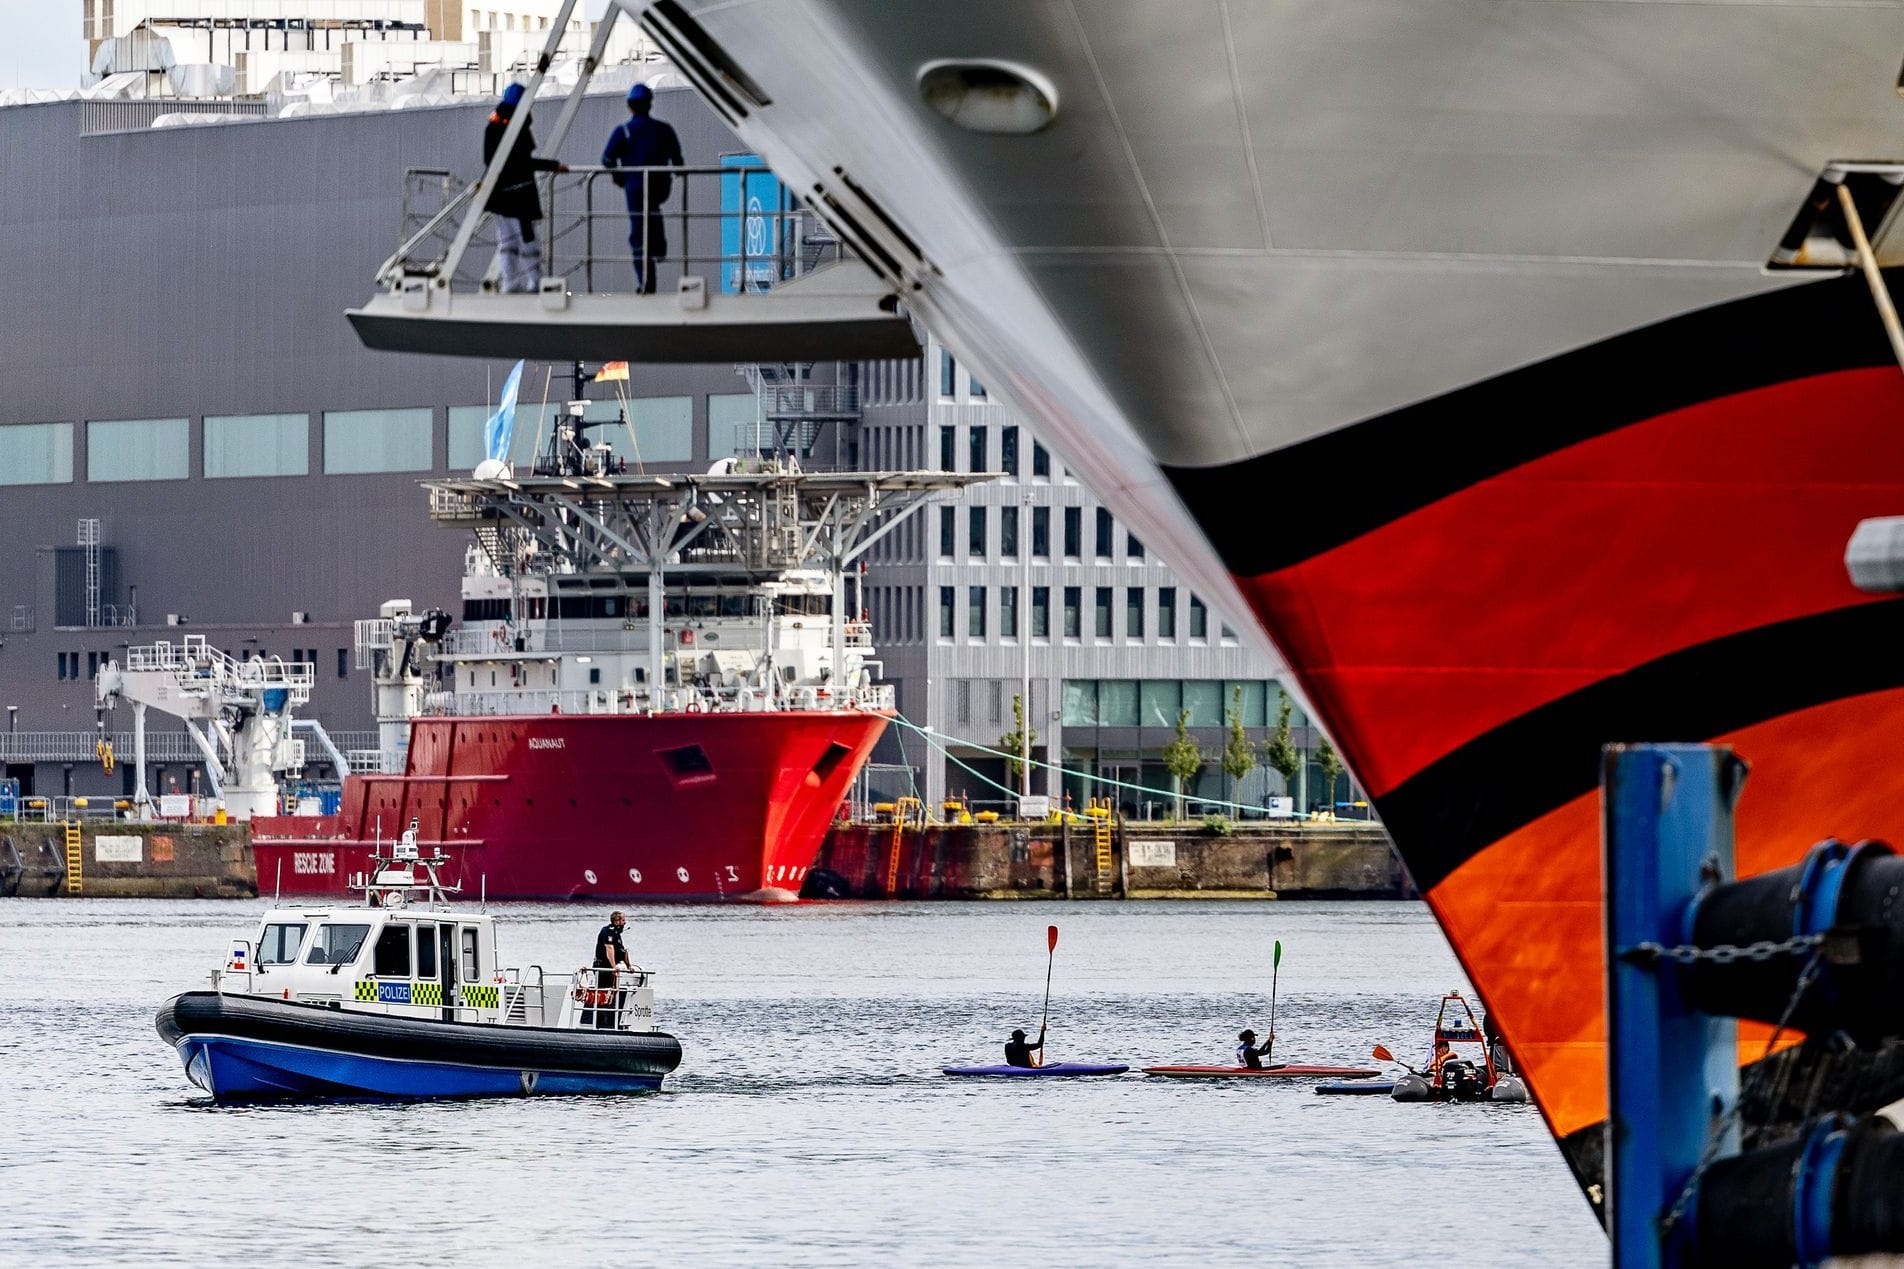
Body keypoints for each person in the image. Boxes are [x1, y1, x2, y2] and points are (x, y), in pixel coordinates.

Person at [483, 83, 567, 293]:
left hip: (500, 195)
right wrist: (553, 165)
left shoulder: (493, 126)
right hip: (521, 194)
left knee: (506, 240)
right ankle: (535, 281)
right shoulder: (518, 128)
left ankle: (509, 282)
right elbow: (523, 161)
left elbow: (490, 160)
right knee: (528, 240)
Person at [600, 82, 683, 294]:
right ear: (650, 104)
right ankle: (659, 248)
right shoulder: (664, 130)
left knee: (638, 233)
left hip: (635, 188)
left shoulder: (625, 131)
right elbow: (678, 161)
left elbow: (607, 158)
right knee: (654, 213)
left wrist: (619, 177)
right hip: (660, 186)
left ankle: (646, 281)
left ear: (630, 106)